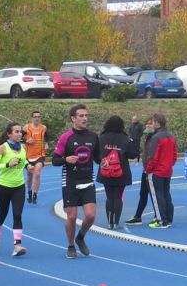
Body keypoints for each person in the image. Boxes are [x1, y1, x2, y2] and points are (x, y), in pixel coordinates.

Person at [52, 104, 100, 257]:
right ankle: (71, 246)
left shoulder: (93, 137)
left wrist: (104, 162)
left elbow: (98, 158)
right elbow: (54, 160)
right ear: (73, 118)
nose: (85, 118)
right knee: (71, 217)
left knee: (91, 216)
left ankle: (80, 238)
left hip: (87, 180)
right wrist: (66, 159)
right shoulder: (66, 137)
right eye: (81, 116)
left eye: (86, 115)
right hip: (70, 181)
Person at [0, 122, 28, 257]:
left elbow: (24, 160)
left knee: (17, 215)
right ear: (9, 134)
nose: (19, 134)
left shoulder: (23, 147)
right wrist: (7, 164)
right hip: (4, 186)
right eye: (16, 132)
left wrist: (28, 166)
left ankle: (17, 246)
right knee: (2, 214)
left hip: (19, 186)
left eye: (20, 131)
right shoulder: (2, 148)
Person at [98, 115, 137, 230]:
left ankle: (109, 221)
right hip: (121, 171)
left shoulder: (102, 137)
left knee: (109, 197)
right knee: (118, 197)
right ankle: (116, 222)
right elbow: (132, 154)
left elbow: (96, 153)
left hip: (105, 170)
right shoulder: (124, 138)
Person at [144, 112, 177, 229]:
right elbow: (174, 156)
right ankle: (168, 219)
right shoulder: (171, 136)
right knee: (166, 193)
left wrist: (148, 170)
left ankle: (160, 220)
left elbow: (153, 157)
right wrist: (168, 165)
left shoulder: (156, 137)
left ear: (157, 122)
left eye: (152, 122)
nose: (151, 125)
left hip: (157, 171)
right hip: (167, 170)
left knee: (157, 196)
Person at [125, 116, 157, 226]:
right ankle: (138, 216)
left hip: (153, 171)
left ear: (156, 125)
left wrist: (150, 169)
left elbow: (155, 156)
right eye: (147, 124)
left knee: (155, 195)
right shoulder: (148, 137)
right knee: (143, 193)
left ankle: (158, 216)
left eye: (150, 124)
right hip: (146, 170)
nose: (147, 125)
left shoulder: (156, 138)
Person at [23, 111, 48, 204]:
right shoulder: (26, 127)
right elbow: (20, 137)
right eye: (35, 117)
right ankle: (29, 192)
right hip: (29, 155)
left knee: (37, 173)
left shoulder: (43, 127)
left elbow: (47, 136)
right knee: (29, 176)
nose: (37, 118)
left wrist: (46, 143)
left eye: (38, 117)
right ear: (32, 118)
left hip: (40, 155)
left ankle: (35, 194)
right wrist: (26, 140)